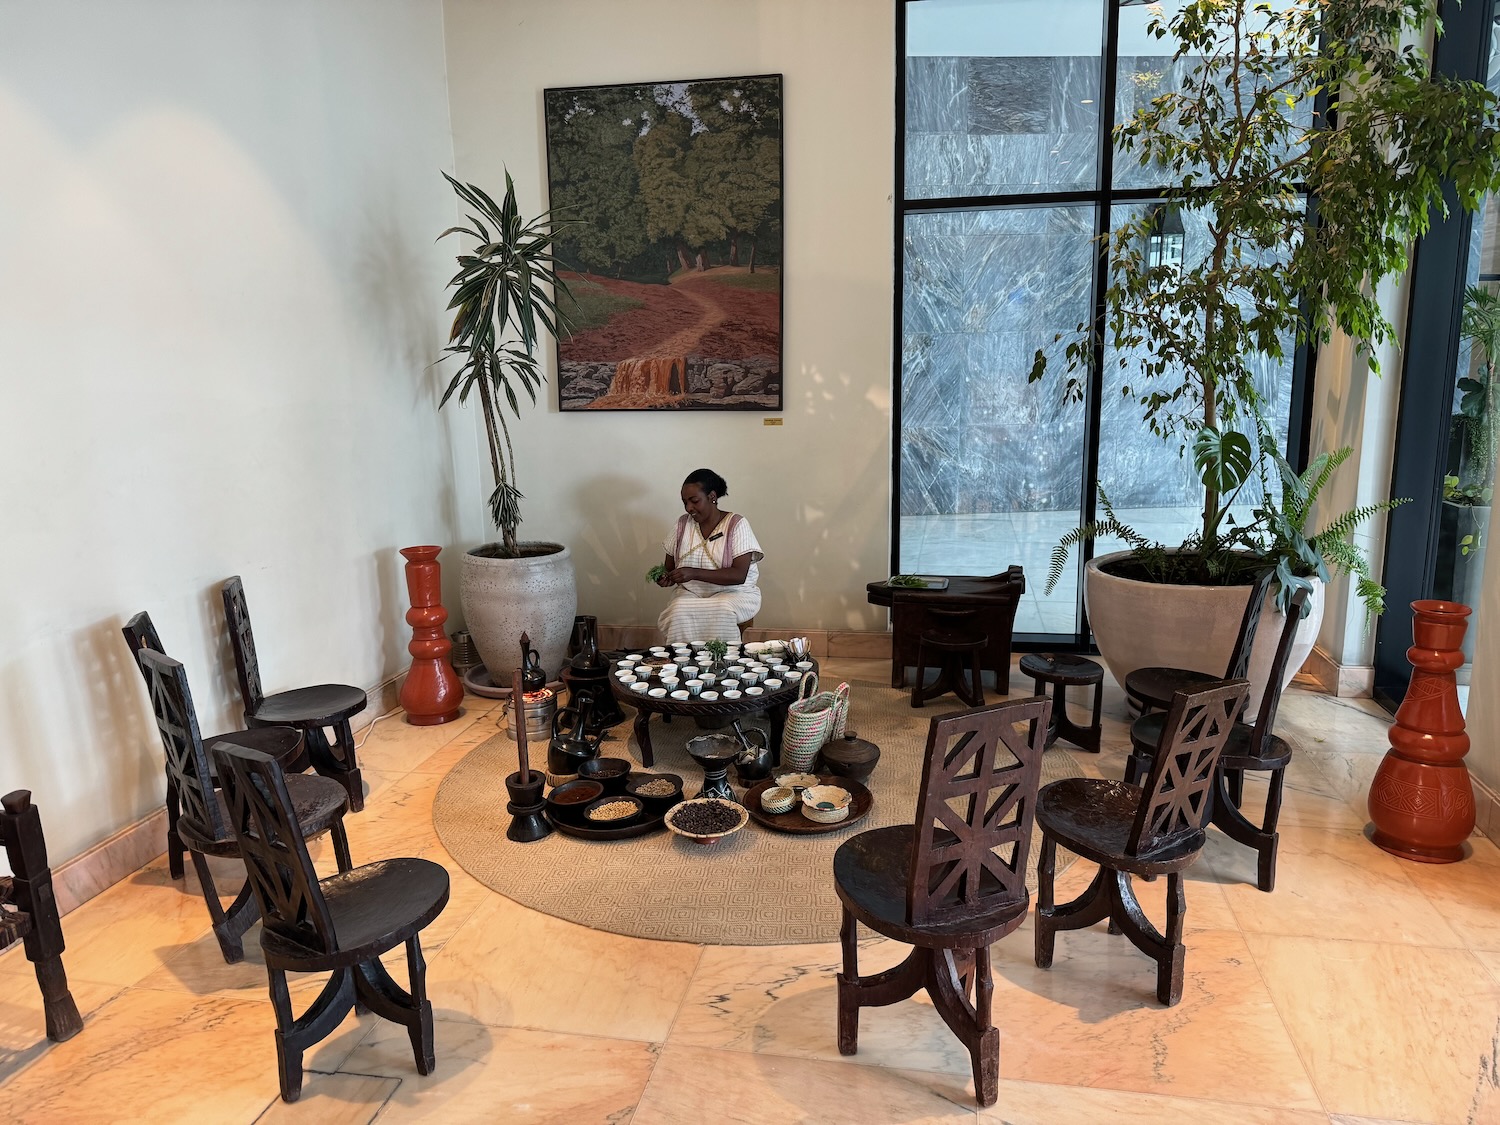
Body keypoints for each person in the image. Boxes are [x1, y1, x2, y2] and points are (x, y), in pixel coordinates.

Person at [656, 468, 763, 643]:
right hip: (691, 593)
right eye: (685, 502)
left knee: (722, 608)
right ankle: (684, 658)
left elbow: (739, 575)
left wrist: (694, 573)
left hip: (734, 593)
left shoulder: (737, 524)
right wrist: (665, 577)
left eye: (694, 501)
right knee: (679, 609)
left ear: (712, 496)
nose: (688, 508)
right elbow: (668, 568)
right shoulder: (682, 525)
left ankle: (724, 658)